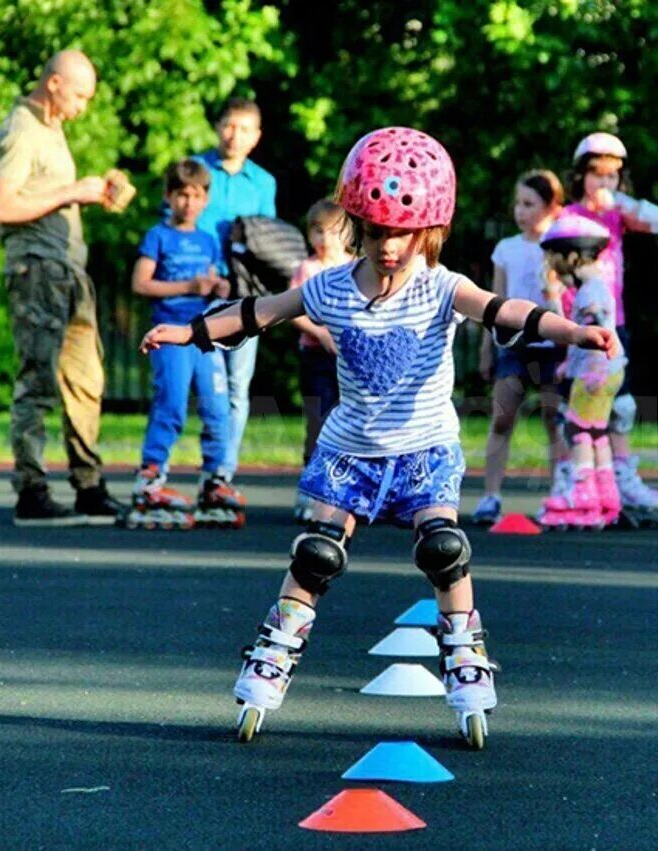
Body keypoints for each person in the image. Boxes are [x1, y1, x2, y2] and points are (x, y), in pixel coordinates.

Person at [140, 127, 615, 748]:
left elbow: (505, 311)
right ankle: (273, 653)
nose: (388, 246)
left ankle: (465, 656)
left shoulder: (442, 286)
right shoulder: (330, 288)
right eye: (375, 231)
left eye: (402, 233)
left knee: (445, 549)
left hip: (425, 448)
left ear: (427, 231)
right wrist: (189, 331)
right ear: (356, 224)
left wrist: (572, 332)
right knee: (316, 555)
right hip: (351, 450)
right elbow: (258, 313)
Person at [0, 49, 125, 527]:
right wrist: (72, 193)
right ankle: (31, 491)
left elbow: (42, 194)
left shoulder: (52, 129)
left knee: (87, 381)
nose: (83, 107)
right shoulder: (21, 129)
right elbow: (2, 208)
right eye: (80, 95)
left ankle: (88, 485)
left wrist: (96, 192)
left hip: (70, 273)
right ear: (54, 85)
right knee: (38, 380)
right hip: (38, 271)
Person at [127, 159, 241, 530]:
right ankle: (151, 479)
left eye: (196, 195)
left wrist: (219, 289)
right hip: (169, 334)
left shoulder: (209, 240)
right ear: (168, 197)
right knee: (172, 404)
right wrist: (187, 287)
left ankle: (213, 480)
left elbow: (215, 283)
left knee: (217, 408)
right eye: (181, 195)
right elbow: (141, 284)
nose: (188, 203)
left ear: (206, 198)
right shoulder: (158, 235)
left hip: (206, 334)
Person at [564, 132, 658, 521]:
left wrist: (620, 202)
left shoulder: (616, 216)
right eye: (597, 175)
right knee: (577, 407)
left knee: (620, 404)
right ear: (580, 176)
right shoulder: (569, 217)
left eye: (612, 177)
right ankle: (575, 479)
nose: (604, 184)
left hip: (615, 326)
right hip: (578, 328)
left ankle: (621, 475)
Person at [189, 97, 277, 504]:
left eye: (243, 129)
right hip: (202, 291)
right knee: (211, 385)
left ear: (256, 137)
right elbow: (177, 225)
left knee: (239, 385)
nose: (234, 135)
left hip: (243, 297)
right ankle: (209, 465)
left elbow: (266, 240)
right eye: (228, 126)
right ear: (217, 126)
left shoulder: (262, 182)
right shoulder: (195, 169)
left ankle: (223, 472)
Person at [470, 171, 568, 528]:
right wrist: (486, 347)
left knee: (553, 420)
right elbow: (493, 304)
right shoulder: (506, 249)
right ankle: (490, 495)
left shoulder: (562, 247)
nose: (520, 211)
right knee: (502, 416)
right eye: (518, 203)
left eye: (529, 204)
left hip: (552, 346)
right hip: (514, 344)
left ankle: (561, 494)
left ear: (551, 207)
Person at [536, 215, 628, 529]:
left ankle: (581, 494)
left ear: (573, 255)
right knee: (597, 432)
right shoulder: (598, 286)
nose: (552, 264)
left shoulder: (589, 293)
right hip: (611, 370)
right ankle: (607, 494)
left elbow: (590, 329)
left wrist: (583, 370)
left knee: (576, 431)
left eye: (555, 257)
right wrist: (568, 363)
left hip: (594, 373)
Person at [287, 199, 353, 523]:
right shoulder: (308, 269)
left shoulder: (356, 267)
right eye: (317, 231)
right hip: (316, 355)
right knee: (320, 418)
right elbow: (294, 311)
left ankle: (347, 490)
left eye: (332, 231)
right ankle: (310, 491)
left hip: (349, 358)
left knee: (351, 421)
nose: (325, 238)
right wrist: (322, 334)